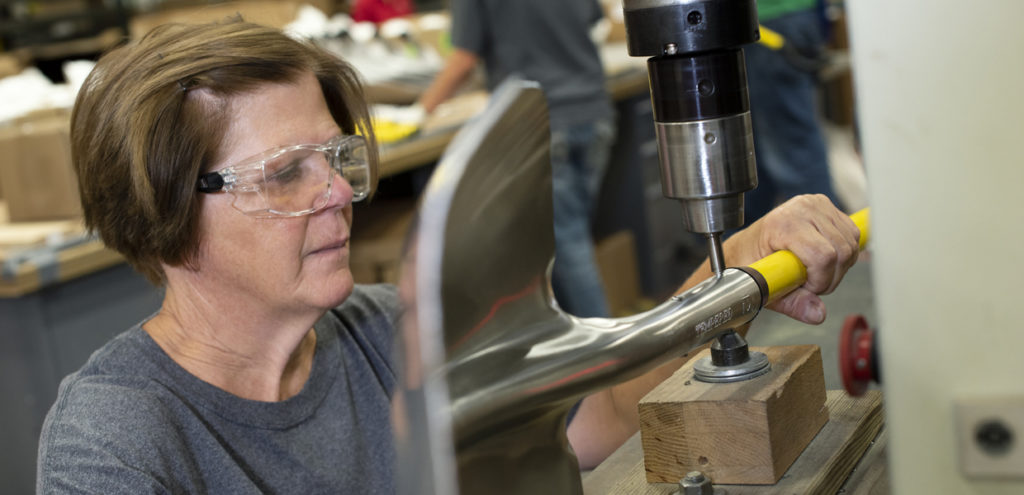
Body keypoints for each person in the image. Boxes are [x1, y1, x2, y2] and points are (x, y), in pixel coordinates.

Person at [36, 19, 860, 492]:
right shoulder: (114, 438)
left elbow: (597, 418)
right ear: (165, 209)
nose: (339, 191)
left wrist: (735, 263)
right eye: (286, 172)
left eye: (337, 157)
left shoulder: (390, 330)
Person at [417, 0, 617, 318]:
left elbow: (463, 59)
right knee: (568, 240)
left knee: (567, 245)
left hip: (542, 122)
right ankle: (577, 338)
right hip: (593, 113)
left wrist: (416, 113)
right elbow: (595, 20)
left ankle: (606, 345)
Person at [743, 0, 842, 225]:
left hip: (768, 25)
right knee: (755, 155)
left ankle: (823, 234)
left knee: (793, 153)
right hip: (768, 21)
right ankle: (742, 241)